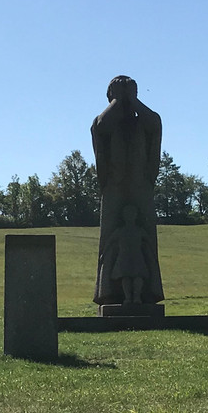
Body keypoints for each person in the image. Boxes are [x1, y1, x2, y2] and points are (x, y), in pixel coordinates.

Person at [90, 76, 164, 306]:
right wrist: (117, 101)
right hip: (114, 186)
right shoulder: (105, 121)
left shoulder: (143, 122)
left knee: (146, 241)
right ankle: (109, 293)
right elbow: (101, 126)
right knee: (111, 241)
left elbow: (155, 123)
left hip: (140, 185)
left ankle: (146, 293)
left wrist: (132, 100)